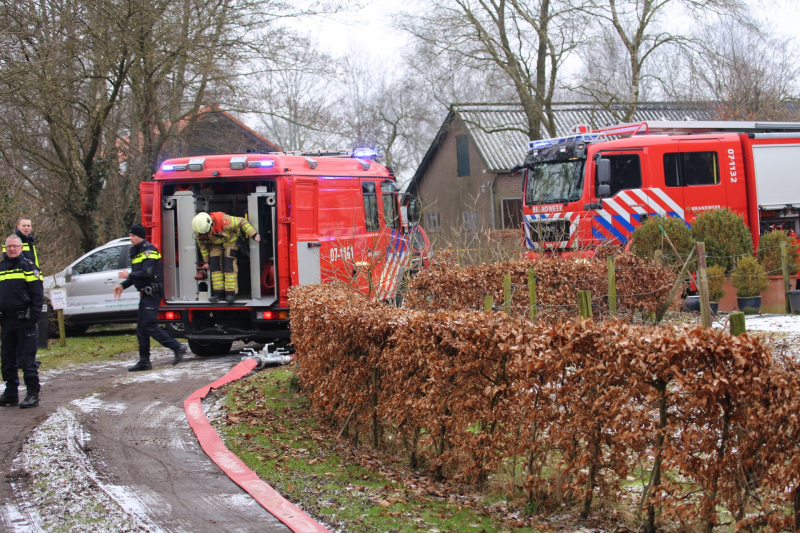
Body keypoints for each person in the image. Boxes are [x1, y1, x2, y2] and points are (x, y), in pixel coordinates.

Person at [113, 224, 187, 371]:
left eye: (133, 235)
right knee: (141, 328)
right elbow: (136, 276)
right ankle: (144, 361)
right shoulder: (136, 251)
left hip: (152, 293)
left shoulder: (149, 250)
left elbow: (147, 273)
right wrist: (123, 285)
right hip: (145, 294)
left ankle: (177, 347)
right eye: (130, 235)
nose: (131, 238)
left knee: (149, 325)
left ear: (140, 236)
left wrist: (129, 275)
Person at [0, 234, 44, 408]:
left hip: (25, 321)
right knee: (7, 360)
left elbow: (37, 294)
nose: (11, 249)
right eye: (8, 246)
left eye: (15, 246)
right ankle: (11, 393)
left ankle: (32, 394)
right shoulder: (1, 268)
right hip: (7, 322)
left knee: (28, 361)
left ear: (20, 248)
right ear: (5, 248)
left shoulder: (28, 267)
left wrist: (34, 317)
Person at [191, 212, 260, 303]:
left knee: (229, 265)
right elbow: (202, 247)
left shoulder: (224, 220)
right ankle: (218, 293)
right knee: (215, 265)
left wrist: (253, 234)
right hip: (216, 244)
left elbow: (242, 221)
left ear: (210, 223)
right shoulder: (199, 230)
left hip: (230, 241)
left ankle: (230, 293)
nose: (206, 233)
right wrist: (206, 261)